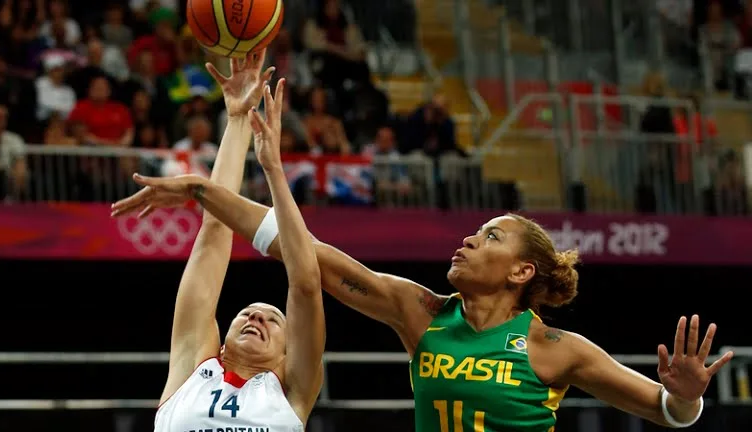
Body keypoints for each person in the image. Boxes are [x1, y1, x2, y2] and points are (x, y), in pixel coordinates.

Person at [112, 185, 733, 429]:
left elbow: (666, 412)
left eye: (490, 236)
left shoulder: (553, 350)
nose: (468, 238)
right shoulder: (423, 313)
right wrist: (204, 194)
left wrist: (686, 394)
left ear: (522, 271)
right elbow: (314, 258)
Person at [133, 52, 324, 432]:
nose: (256, 317)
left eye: (273, 320)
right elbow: (214, 231)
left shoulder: (292, 391)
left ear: (288, 355)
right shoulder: (193, 366)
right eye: (248, 314)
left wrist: (272, 169)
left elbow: (305, 282)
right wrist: (237, 119)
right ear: (220, 342)